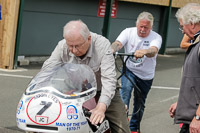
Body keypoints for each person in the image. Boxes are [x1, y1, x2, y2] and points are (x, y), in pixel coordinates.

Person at [36, 20, 130, 133]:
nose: (74, 50)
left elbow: (109, 79)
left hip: (103, 90)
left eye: (78, 46)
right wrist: (37, 93)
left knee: (122, 130)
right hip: (75, 91)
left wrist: (101, 107)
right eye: (70, 46)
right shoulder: (62, 46)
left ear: (89, 39)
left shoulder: (102, 45)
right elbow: (47, 70)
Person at [112, 12, 162, 133]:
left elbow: (153, 51)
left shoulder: (156, 37)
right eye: (141, 26)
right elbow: (118, 43)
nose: (143, 29)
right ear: (137, 24)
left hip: (146, 75)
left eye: (146, 27)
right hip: (129, 70)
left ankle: (134, 128)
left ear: (151, 27)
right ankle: (122, 124)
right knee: (124, 95)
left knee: (140, 102)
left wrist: (145, 51)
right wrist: (112, 49)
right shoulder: (128, 32)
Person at [168, 3, 200, 133]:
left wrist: (198, 117)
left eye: (183, 26)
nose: (182, 31)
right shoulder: (196, 42)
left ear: (192, 23)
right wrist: (182, 103)